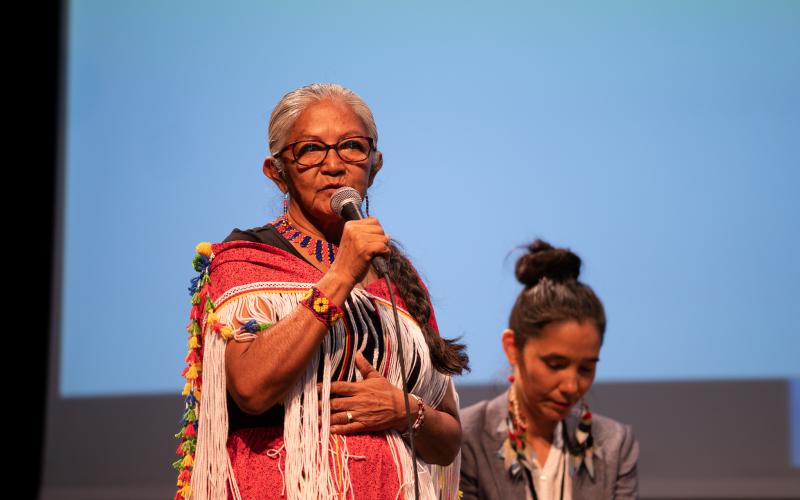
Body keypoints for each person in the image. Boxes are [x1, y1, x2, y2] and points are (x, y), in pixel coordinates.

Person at [173, 83, 468, 500]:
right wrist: (340, 276)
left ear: (375, 165)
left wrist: (407, 410)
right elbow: (252, 389)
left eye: (351, 147)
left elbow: (449, 438)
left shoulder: (397, 276)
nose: (334, 165)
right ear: (277, 172)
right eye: (310, 150)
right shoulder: (246, 258)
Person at [459, 240, 639, 499]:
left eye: (586, 368)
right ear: (512, 348)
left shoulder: (615, 444)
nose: (571, 387)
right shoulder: (468, 437)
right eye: (555, 365)